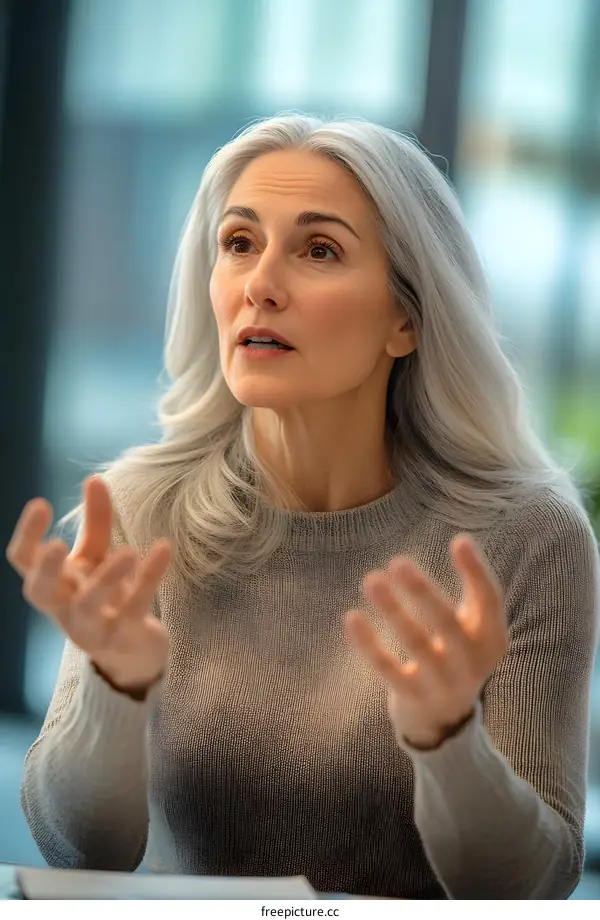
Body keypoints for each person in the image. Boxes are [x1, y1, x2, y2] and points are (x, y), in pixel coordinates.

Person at [6, 113, 599, 900]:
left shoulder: (528, 538)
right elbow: (81, 855)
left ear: (406, 319)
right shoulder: (142, 512)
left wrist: (449, 741)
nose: (259, 285)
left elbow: (533, 888)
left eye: (319, 250)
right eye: (239, 243)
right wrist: (112, 692)